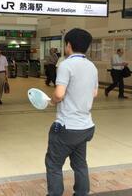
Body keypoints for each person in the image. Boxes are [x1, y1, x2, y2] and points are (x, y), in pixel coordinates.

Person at [46, 28, 98, 196]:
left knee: (54, 165)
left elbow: (59, 94)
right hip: (85, 127)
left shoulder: (66, 64)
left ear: (68, 45)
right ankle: (82, 193)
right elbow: (95, 93)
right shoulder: (92, 66)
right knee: (80, 164)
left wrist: (51, 101)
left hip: (66, 127)